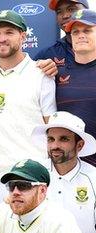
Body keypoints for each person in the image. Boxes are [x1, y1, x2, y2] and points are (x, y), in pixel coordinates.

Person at [0, 10, 56, 206]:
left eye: (9, 32)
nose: (2, 39)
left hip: (31, 173)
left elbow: (50, 125)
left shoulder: (41, 74)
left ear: (23, 36)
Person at [31, 111, 96, 233]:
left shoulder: (94, 178)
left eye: (63, 139)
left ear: (80, 145)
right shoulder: (32, 174)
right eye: (51, 139)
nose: (55, 145)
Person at [55, 9, 96, 166]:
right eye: (75, 31)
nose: (81, 35)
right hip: (68, 168)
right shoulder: (55, 73)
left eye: (87, 30)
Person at [35, 0, 90, 65]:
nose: (65, 16)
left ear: (87, 11)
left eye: (71, 9)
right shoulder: (47, 55)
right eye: (59, 12)